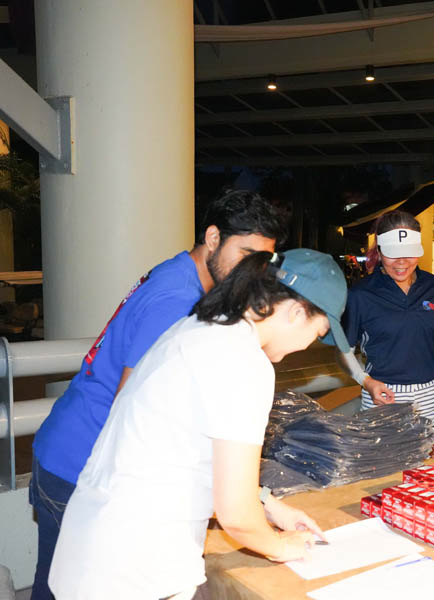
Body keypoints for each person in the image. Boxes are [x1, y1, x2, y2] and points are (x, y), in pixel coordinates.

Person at [48, 249, 347, 599]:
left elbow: (187, 452)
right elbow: (235, 515)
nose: (310, 345)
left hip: (93, 549)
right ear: (296, 312)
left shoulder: (202, 326)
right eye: (318, 332)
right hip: (135, 571)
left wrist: (270, 506)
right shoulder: (244, 362)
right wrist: (282, 546)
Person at [29, 190, 284, 600]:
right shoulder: (178, 300)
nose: (252, 272)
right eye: (246, 254)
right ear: (213, 238)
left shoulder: (180, 274)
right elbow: (132, 409)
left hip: (69, 445)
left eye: (262, 261)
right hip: (79, 461)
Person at [341, 210, 434, 463]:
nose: (401, 262)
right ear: (379, 251)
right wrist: (367, 382)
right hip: (384, 395)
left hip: (432, 392)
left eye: (409, 253)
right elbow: (342, 352)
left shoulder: (433, 287)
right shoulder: (361, 295)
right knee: (387, 479)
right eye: (392, 254)